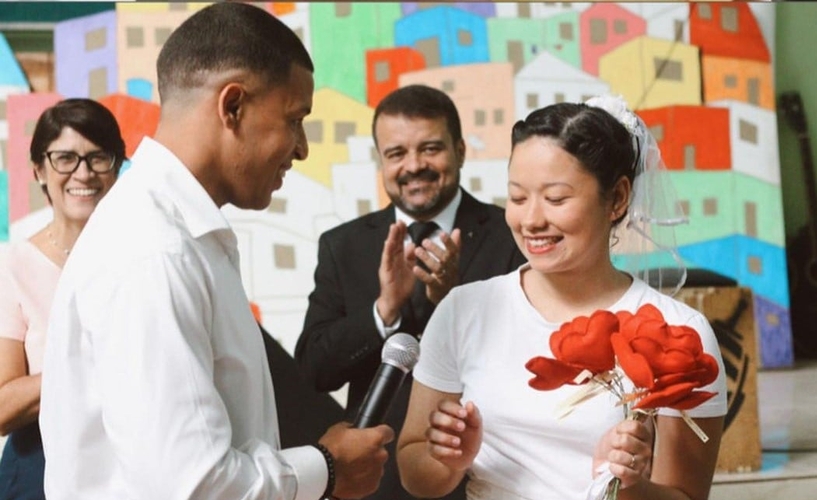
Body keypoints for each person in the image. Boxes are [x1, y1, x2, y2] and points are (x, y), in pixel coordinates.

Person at [38, 4, 392, 500]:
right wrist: (327, 467)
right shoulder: (155, 251)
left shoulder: (181, 235)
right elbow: (192, 486)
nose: (302, 147)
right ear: (233, 107)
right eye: (294, 119)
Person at [396, 98, 728, 500]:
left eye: (555, 199)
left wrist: (630, 485)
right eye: (518, 198)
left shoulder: (678, 332)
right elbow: (415, 472)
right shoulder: (463, 311)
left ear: (618, 198)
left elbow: (686, 496)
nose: (532, 219)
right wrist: (449, 461)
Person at [294, 84, 525, 500]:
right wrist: (384, 312)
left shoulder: (513, 237)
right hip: (374, 483)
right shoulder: (342, 245)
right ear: (381, 160)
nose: (414, 165)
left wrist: (452, 303)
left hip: (483, 477)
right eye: (396, 153)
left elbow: (525, 364)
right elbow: (315, 369)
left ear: (459, 150)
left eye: (431, 148)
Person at [0, 98, 125, 500]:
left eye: (97, 158)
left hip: (129, 466)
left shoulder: (143, 258)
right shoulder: (14, 265)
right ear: (39, 169)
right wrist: (84, 361)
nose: (83, 173)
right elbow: (2, 406)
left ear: (117, 167)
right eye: (65, 158)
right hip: (38, 470)